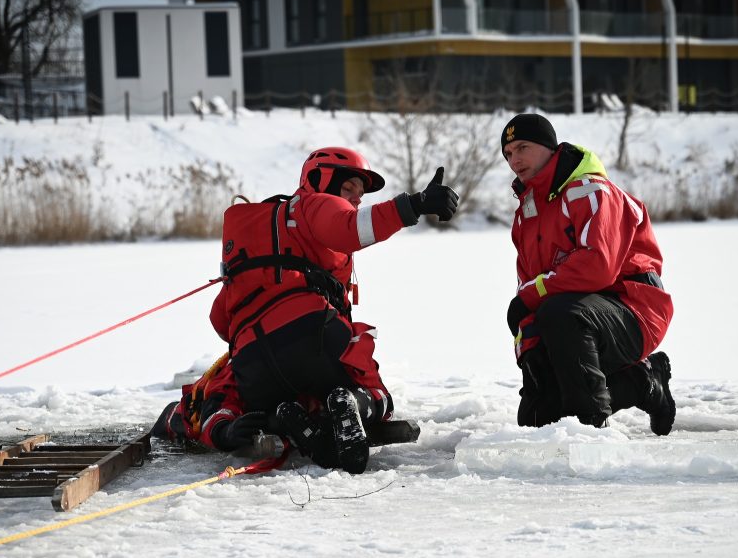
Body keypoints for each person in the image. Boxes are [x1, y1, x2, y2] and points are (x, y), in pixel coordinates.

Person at [153, 147, 459, 473]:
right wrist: (414, 205)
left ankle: (286, 416)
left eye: (360, 194)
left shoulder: (257, 243)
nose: (356, 199)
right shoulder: (316, 204)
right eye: (349, 189)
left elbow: (220, 319)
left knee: (267, 399)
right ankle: (351, 403)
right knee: (373, 390)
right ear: (318, 180)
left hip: (253, 361)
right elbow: (351, 228)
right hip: (316, 336)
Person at [500, 113, 675, 434]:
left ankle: (591, 429)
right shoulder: (528, 213)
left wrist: (532, 297)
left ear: (549, 147)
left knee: (559, 312)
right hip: (574, 316)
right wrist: (530, 351)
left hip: (636, 310)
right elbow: (528, 287)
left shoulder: (592, 191)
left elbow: (597, 266)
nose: (515, 159)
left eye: (523, 147)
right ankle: (643, 381)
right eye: (508, 153)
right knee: (537, 419)